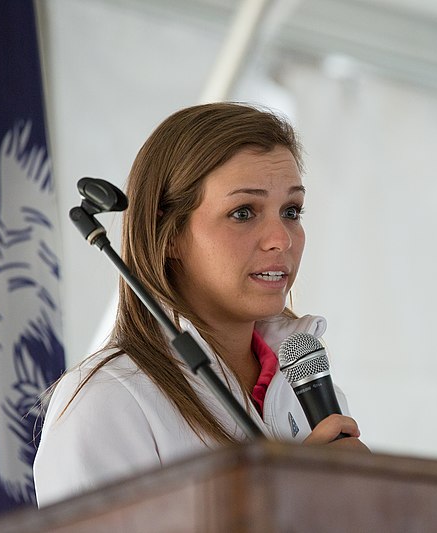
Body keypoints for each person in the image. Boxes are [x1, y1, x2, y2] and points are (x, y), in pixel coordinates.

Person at [33, 103, 367, 507]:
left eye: (291, 211)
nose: (282, 239)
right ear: (168, 234)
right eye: (243, 212)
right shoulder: (107, 402)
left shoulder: (310, 389)